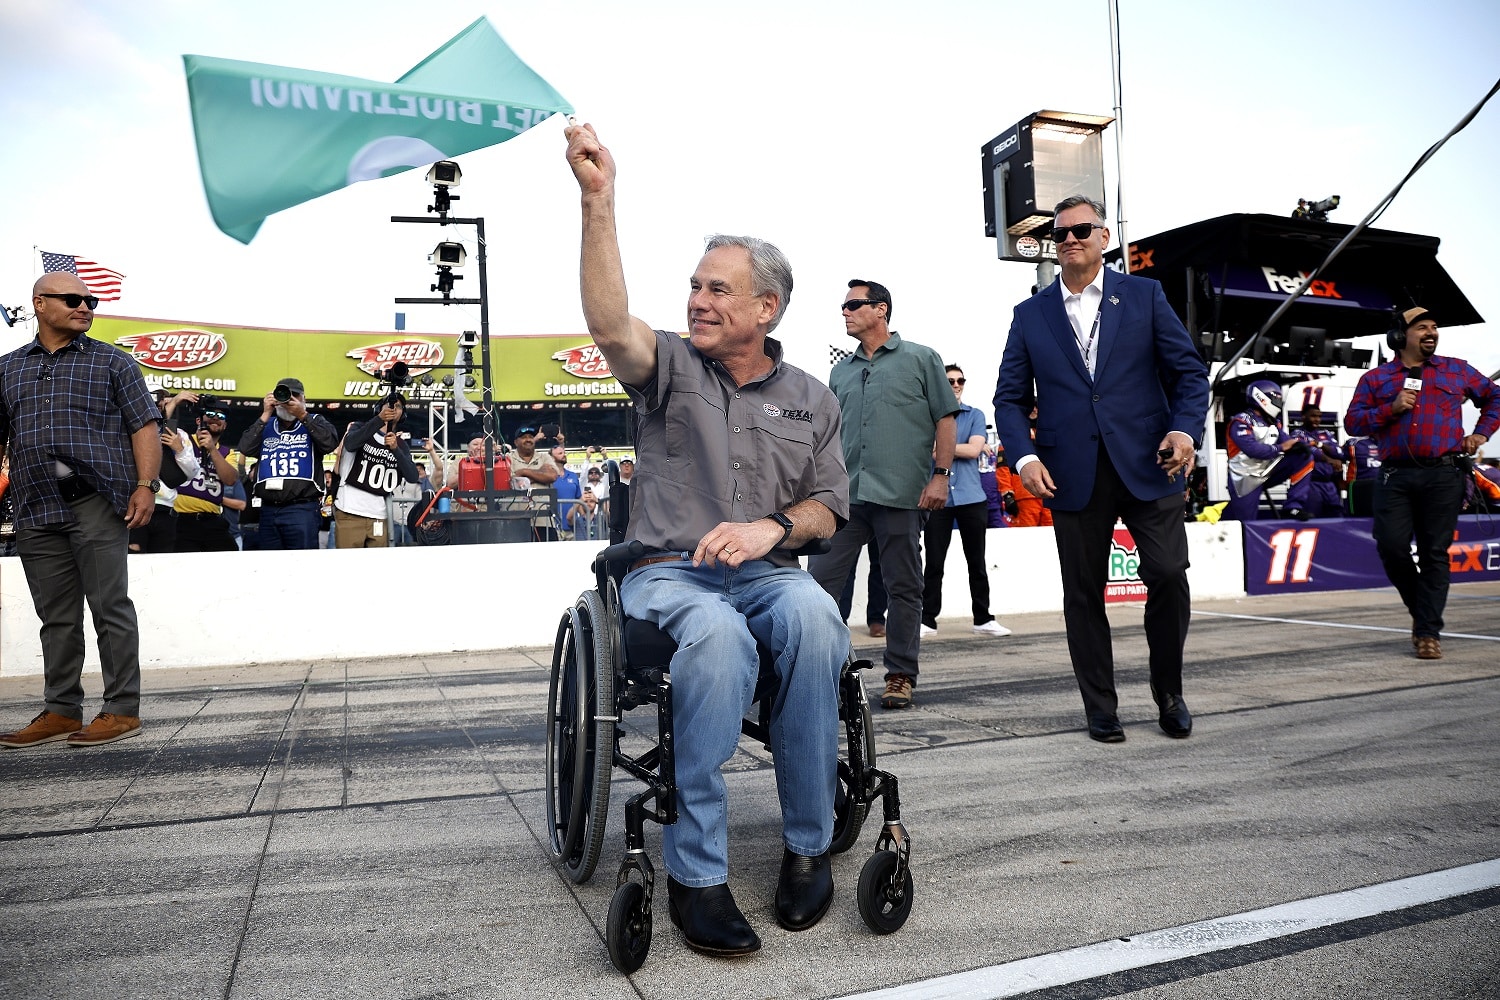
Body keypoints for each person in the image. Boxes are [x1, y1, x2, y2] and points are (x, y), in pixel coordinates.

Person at [566, 121, 850, 956]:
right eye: (694, 284)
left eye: (719, 289)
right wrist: (597, 201)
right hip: (669, 575)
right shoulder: (670, 369)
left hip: (766, 573)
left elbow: (830, 506)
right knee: (720, 638)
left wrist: (773, 528)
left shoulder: (813, 397)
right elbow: (611, 322)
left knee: (813, 619)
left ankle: (808, 846)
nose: (698, 299)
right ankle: (697, 875)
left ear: (766, 307)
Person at [993, 195, 1209, 743]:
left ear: (1104, 236)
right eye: (1060, 232)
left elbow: (1189, 375)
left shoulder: (1144, 295)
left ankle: (1170, 692)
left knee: (1166, 573)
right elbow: (1010, 399)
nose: (1070, 238)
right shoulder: (1030, 315)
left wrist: (1185, 432)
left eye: (1081, 229)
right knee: (1083, 593)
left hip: (1148, 463)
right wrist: (1025, 457)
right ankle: (1101, 707)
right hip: (1070, 472)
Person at [0, 272, 161, 749]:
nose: (85, 306)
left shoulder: (115, 363)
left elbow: (145, 428)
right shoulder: (6, 368)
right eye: (73, 299)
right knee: (55, 615)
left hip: (94, 500)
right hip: (33, 505)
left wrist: (146, 485)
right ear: (39, 304)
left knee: (109, 606)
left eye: (89, 300)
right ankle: (62, 709)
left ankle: (121, 709)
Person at [808, 279, 957, 711]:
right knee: (818, 589)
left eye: (853, 304)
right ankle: (825, 674)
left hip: (903, 495)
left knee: (904, 588)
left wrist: (941, 476)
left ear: (881, 310)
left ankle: (899, 676)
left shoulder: (921, 358)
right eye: (844, 305)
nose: (845, 312)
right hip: (845, 500)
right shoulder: (841, 372)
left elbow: (946, 419)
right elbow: (825, 437)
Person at [1344, 306, 1500, 660]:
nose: (1431, 332)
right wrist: (1391, 408)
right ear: (1399, 336)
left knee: (1434, 553)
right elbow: (1353, 422)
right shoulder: (1376, 379)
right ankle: (1423, 613)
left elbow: (1495, 398)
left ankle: (1428, 631)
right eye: (1421, 328)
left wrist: (1480, 434)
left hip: (1444, 474)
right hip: (1394, 474)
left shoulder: (1456, 369)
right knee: (1391, 545)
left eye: (1434, 326)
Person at [921, 365, 1011, 638]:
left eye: (960, 380)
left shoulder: (976, 414)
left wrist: (944, 449)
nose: (956, 385)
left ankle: (983, 618)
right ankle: (927, 620)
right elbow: (931, 451)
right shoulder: (928, 416)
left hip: (972, 498)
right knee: (934, 563)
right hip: (939, 498)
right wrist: (955, 449)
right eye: (950, 381)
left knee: (977, 562)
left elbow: (973, 450)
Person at [237, 377, 339, 549]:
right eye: (284, 396)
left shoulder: (315, 420)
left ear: (304, 399)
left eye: (295, 396)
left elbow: (330, 443)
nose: (289, 401)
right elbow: (245, 448)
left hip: (301, 509)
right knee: (271, 566)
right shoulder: (266, 424)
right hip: (268, 509)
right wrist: (265, 413)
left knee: (301, 564)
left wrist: (302, 415)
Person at [333, 397, 420, 548]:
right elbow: (351, 444)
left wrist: (396, 450)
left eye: (398, 406)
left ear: (402, 414)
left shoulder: (400, 445)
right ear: (379, 409)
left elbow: (413, 476)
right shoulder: (359, 427)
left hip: (379, 515)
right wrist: (378, 420)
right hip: (350, 511)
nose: (393, 408)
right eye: (390, 405)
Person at [1221, 380, 1312, 521]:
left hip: (1266, 472)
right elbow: (1253, 450)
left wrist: (1300, 444)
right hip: (1245, 478)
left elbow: (1287, 441)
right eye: (1276, 399)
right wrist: (1281, 448)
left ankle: (1292, 507)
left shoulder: (1273, 422)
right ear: (1261, 397)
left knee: (1304, 456)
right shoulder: (1241, 420)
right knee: (1245, 524)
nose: (1278, 403)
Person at [132, 391, 201, 553]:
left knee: (162, 564)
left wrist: (180, 450)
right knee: (133, 557)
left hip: (165, 510)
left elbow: (192, 473)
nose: (155, 405)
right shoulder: (129, 429)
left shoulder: (178, 435)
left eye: (159, 401)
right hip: (136, 505)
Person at [174, 399, 241, 551]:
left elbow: (230, 480)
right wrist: (175, 401)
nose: (216, 418)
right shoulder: (184, 440)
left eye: (221, 416)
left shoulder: (226, 452)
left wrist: (212, 449)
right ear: (199, 419)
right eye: (210, 414)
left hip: (212, 519)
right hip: (181, 519)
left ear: (225, 425)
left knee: (231, 555)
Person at [1287, 404, 1344, 519]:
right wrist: (1330, 459)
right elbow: (1308, 450)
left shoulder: (1326, 434)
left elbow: (1339, 452)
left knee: (1337, 517)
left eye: (1319, 416)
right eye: (1313, 416)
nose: (1317, 419)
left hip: (1330, 484)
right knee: (1313, 518)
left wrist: (1320, 444)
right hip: (1311, 483)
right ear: (1303, 417)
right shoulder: (1297, 434)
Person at [507, 425, 563, 540]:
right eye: (524, 437)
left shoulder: (545, 457)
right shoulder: (507, 458)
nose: (528, 439)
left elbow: (552, 476)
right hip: (516, 519)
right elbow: (512, 481)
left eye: (531, 437)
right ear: (516, 442)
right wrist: (540, 473)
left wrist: (524, 472)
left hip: (544, 520)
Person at [1343, 434, 1381, 516]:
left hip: (1384, 488)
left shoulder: (1392, 443)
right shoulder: (1355, 443)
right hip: (1359, 489)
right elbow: (1337, 457)